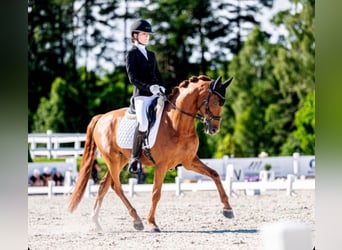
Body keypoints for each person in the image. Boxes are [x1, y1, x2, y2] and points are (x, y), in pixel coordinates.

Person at [125, 19, 166, 174]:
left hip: (156, 94)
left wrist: (161, 86)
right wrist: (150, 87)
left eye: (148, 34)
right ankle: (134, 158)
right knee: (143, 124)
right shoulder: (131, 54)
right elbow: (133, 78)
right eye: (144, 34)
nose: (147, 36)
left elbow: (158, 75)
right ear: (135, 36)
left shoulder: (151, 54)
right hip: (141, 96)